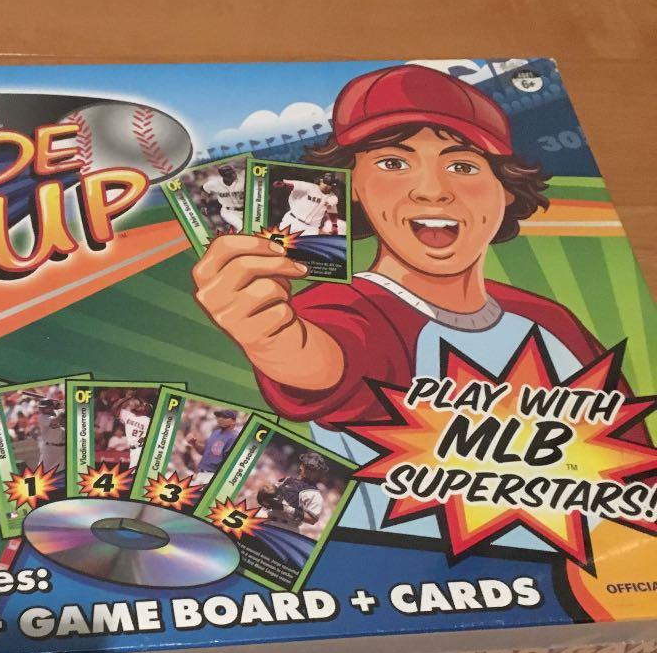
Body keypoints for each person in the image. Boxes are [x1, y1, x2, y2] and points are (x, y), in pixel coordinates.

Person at [192, 63, 648, 537]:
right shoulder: (350, 307)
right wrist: (270, 335)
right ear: (351, 189)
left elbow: (638, 474)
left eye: (462, 166)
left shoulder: (551, 320)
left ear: (506, 191)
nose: (432, 190)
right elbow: (321, 360)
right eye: (393, 163)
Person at [186, 408, 241, 485]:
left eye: (225, 417)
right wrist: (194, 443)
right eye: (219, 416)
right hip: (201, 473)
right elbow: (205, 452)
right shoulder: (215, 433)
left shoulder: (234, 438)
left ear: (233, 421)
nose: (220, 419)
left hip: (213, 475)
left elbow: (228, 463)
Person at [274, 173, 340, 236]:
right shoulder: (310, 187)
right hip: (292, 220)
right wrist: (284, 185)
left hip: (310, 228)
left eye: (329, 184)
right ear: (321, 180)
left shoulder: (333, 197)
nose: (326, 185)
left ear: (333, 186)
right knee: (277, 242)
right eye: (325, 182)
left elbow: (332, 211)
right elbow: (295, 185)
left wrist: (334, 226)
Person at [199, 162, 245, 232]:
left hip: (246, 209)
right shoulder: (215, 183)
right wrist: (203, 205)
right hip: (229, 212)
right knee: (242, 227)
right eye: (231, 174)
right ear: (224, 176)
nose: (234, 175)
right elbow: (204, 189)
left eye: (234, 172)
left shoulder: (243, 180)